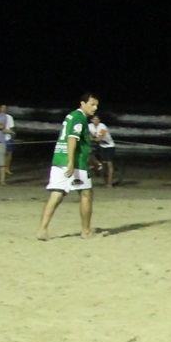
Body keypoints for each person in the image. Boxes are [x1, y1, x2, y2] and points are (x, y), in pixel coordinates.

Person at [36, 93, 100, 239]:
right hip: (74, 163)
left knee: (57, 194)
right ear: (82, 103)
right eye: (92, 104)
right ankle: (86, 231)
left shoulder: (71, 116)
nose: (95, 108)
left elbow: (81, 144)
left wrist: (93, 161)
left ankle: (42, 229)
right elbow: (72, 139)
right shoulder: (79, 118)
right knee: (86, 194)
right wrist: (71, 162)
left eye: (96, 105)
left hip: (59, 159)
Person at [91, 116, 118, 188]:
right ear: (91, 120)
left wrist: (92, 138)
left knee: (109, 164)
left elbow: (99, 138)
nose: (96, 121)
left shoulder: (102, 126)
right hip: (102, 146)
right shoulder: (90, 126)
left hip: (110, 146)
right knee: (103, 163)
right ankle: (104, 180)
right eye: (94, 119)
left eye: (97, 119)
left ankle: (109, 183)